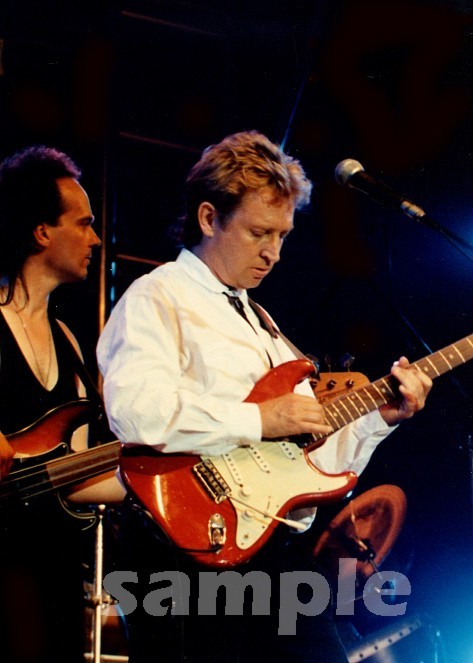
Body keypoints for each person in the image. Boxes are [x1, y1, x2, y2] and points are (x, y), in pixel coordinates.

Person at [97, 130, 432, 663]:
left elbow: (310, 466)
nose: (273, 253)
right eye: (258, 232)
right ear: (209, 218)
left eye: (282, 235)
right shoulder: (158, 296)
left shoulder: (262, 324)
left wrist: (379, 420)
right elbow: (135, 412)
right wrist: (259, 419)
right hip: (185, 557)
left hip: (272, 552)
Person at [0, 145, 126, 663]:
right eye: (84, 223)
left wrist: (153, 476)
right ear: (41, 232)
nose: (96, 239)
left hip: (51, 573)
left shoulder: (70, 343)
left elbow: (71, 474)